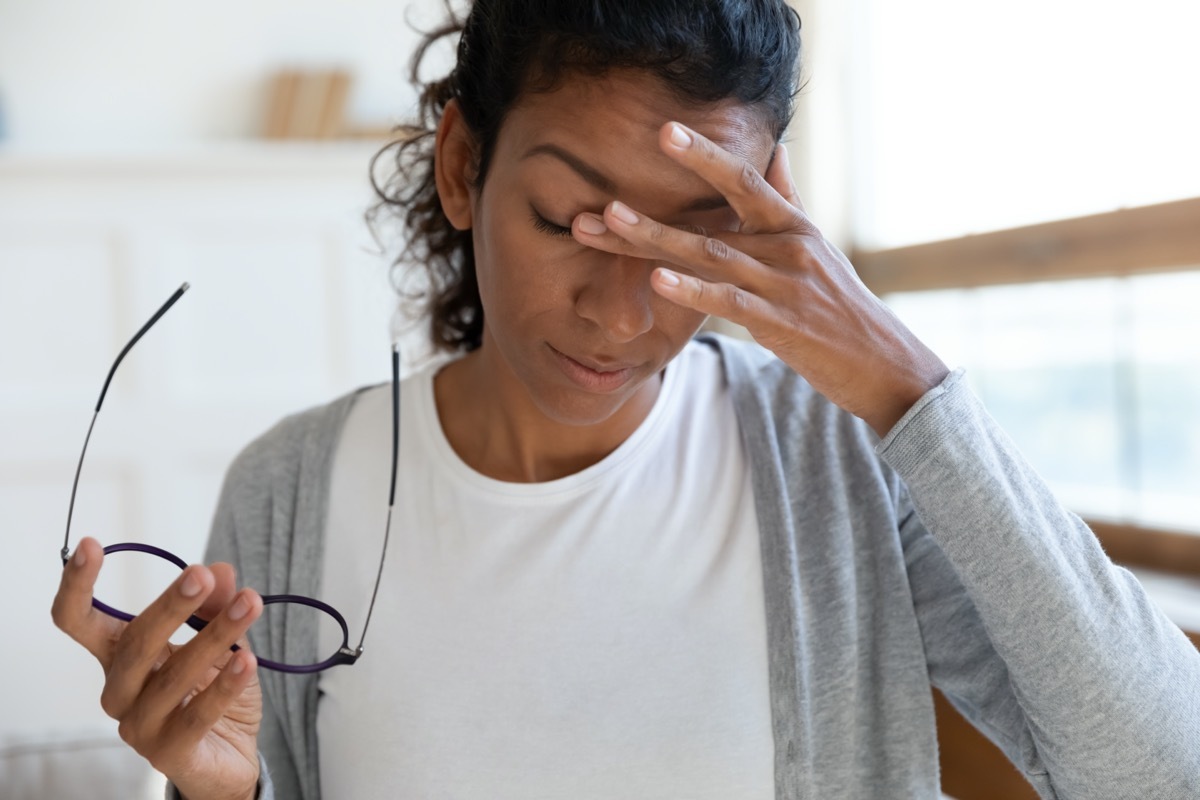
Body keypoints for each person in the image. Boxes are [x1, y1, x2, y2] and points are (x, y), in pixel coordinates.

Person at [52, 1, 1200, 798]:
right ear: (462, 168)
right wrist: (223, 788)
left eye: (691, 241)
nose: (618, 313)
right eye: (564, 221)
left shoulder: (841, 460)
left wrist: (906, 384)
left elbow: (1165, 771)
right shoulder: (290, 487)